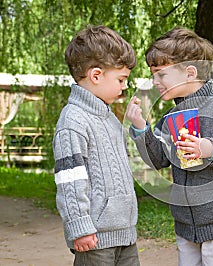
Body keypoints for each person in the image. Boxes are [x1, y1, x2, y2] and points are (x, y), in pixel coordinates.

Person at [126, 27, 213, 266]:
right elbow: (158, 158)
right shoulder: (171, 118)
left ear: (189, 73)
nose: (154, 81)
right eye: (153, 74)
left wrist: (210, 149)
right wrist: (141, 128)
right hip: (186, 228)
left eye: (161, 74)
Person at [53, 25, 140, 266]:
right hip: (94, 239)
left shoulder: (109, 117)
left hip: (125, 234)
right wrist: (79, 226)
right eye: (121, 79)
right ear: (96, 75)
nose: (125, 86)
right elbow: (70, 179)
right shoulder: (73, 120)